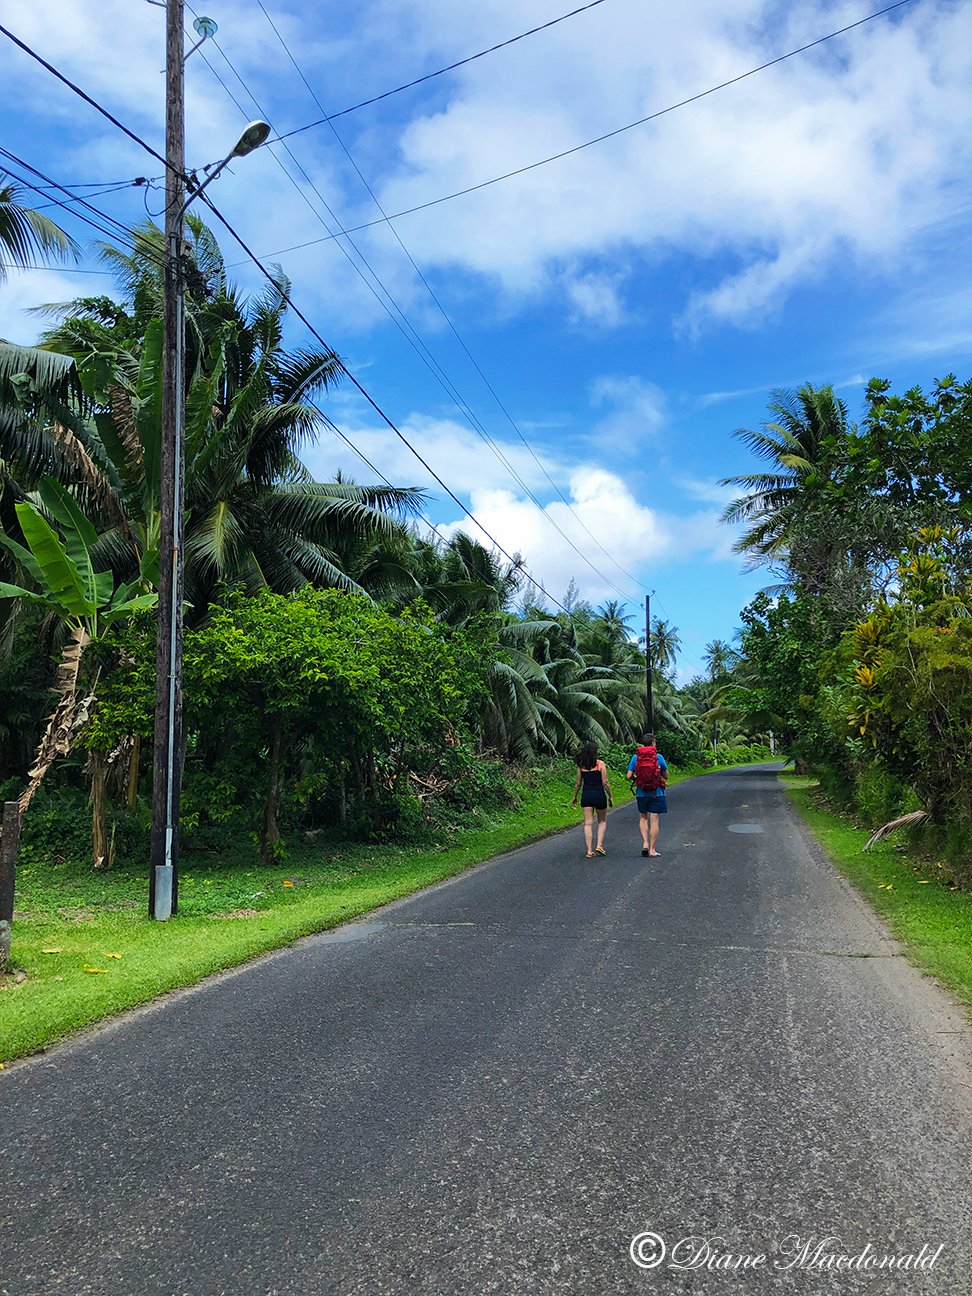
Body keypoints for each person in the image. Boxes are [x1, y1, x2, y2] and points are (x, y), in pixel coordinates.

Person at [626, 732, 668, 857]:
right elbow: (666, 775)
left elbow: (628, 776)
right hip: (657, 793)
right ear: (653, 743)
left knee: (643, 818)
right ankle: (652, 849)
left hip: (641, 793)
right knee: (654, 821)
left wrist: (638, 777)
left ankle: (645, 843)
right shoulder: (658, 757)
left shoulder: (636, 757)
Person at [572, 741, 612, 858]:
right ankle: (599, 845)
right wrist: (610, 795)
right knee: (602, 821)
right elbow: (605, 782)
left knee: (588, 823)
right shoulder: (600, 764)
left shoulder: (581, 766)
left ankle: (589, 850)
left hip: (586, 796)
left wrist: (575, 796)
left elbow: (578, 784)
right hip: (599, 795)